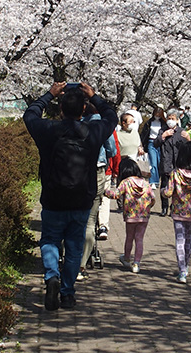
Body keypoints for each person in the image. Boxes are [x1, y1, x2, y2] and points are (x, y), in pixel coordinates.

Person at [23, 82, 117, 311]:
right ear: (83, 110)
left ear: (60, 109)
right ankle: (67, 293)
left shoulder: (47, 130)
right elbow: (111, 117)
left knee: (49, 240)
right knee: (74, 247)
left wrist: (49, 94)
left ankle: (52, 277)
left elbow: (30, 114)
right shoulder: (93, 132)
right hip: (81, 198)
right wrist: (94, 96)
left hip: (53, 197)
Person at [77, 103, 117, 282]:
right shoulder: (101, 124)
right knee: (91, 218)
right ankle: (81, 264)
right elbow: (112, 150)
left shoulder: (74, 123)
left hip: (75, 170)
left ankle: (67, 257)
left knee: (73, 215)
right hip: (98, 171)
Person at [162, 141, 191, 284]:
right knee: (189, 240)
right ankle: (186, 266)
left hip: (178, 212)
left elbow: (168, 193)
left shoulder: (175, 173)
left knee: (179, 241)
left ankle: (182, 271)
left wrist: (162, 191)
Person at [105, 158, 155, 274]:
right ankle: (137, 263)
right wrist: (149, 207)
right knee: (139, 239)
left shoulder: (126, 182)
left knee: (129, 237)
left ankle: (127, 257)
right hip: (144, 216)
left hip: (131, 215)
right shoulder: (145, 183)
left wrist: (105, 191)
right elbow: (152, 198)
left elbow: (115, 195)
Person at [153, 108, 190, 217]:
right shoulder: (162, 130)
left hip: (178, 164)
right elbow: (155, 144)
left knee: (176, 188)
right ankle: (164, 207)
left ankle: (173, 208)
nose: (170, 120)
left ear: (177, 119)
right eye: (169, 118)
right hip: (166, 162)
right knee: (164, 186)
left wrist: (188, 138)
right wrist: (163, 136)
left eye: (172, 118)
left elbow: (190, 148)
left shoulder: (181, 132)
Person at [97, 128, 121, 241]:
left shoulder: (81, 121)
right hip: (105, 168)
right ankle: (103, 226)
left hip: (83, 168)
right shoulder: (107, 125)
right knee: (105, 198)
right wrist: (116, 169)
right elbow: (114, 148)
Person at [140, 106, 168, 189]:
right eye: (156, 114)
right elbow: (144, 134)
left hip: (160, 143)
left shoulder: (164, 123)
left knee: (159, 163)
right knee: (153, 163)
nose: (157, 116)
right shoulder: (149, 122)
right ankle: (153, 181)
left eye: (159, 115)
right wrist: (142, 145)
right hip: (151, 143)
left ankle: (157, 179)